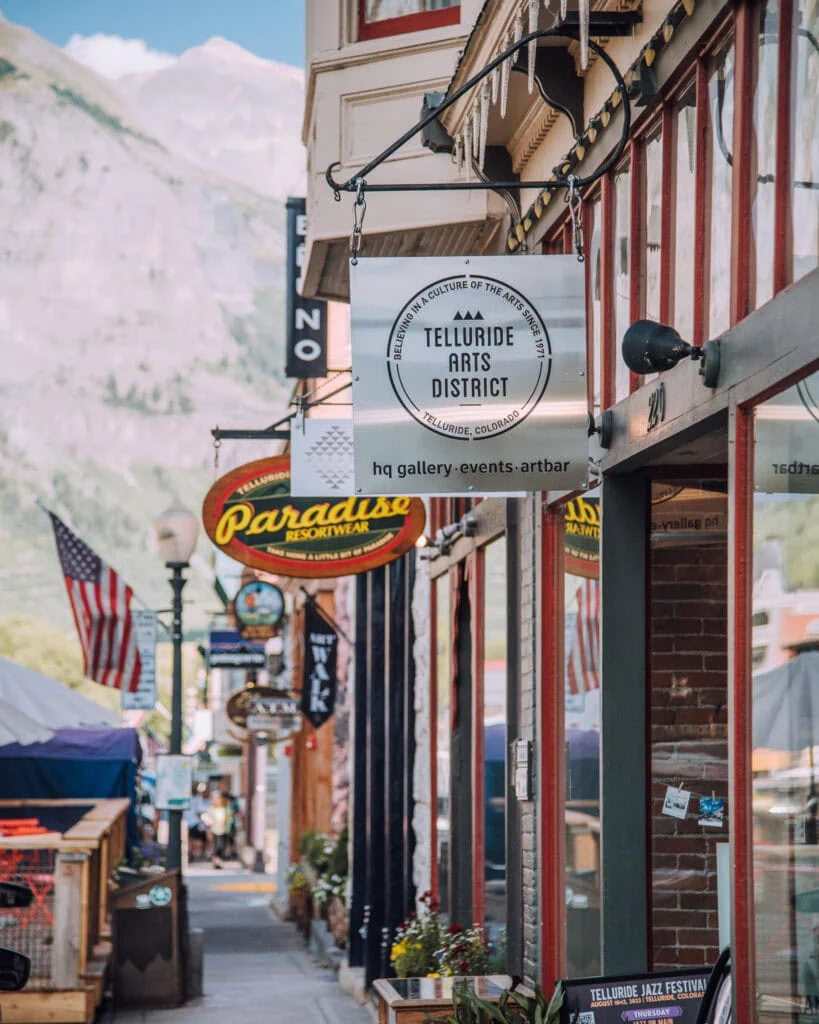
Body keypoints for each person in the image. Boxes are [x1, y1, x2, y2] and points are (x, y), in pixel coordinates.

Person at [203, 792, 231, 869]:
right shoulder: (212, 809)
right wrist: (209, 831)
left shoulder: (226, 808)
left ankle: (219, 861)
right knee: (217, 846)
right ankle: (216, 860)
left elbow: (229, 818)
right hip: (215, 830)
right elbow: (207, 819)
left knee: (222, 846)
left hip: (224, 830)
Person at [185, 784, 209, 861]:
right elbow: (200, 811)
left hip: (193, 822)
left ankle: (193, 854)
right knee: (195, 840)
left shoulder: (194, 798)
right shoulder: (196, 799)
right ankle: (192, 854)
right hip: (194, 822)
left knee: (194, 839)